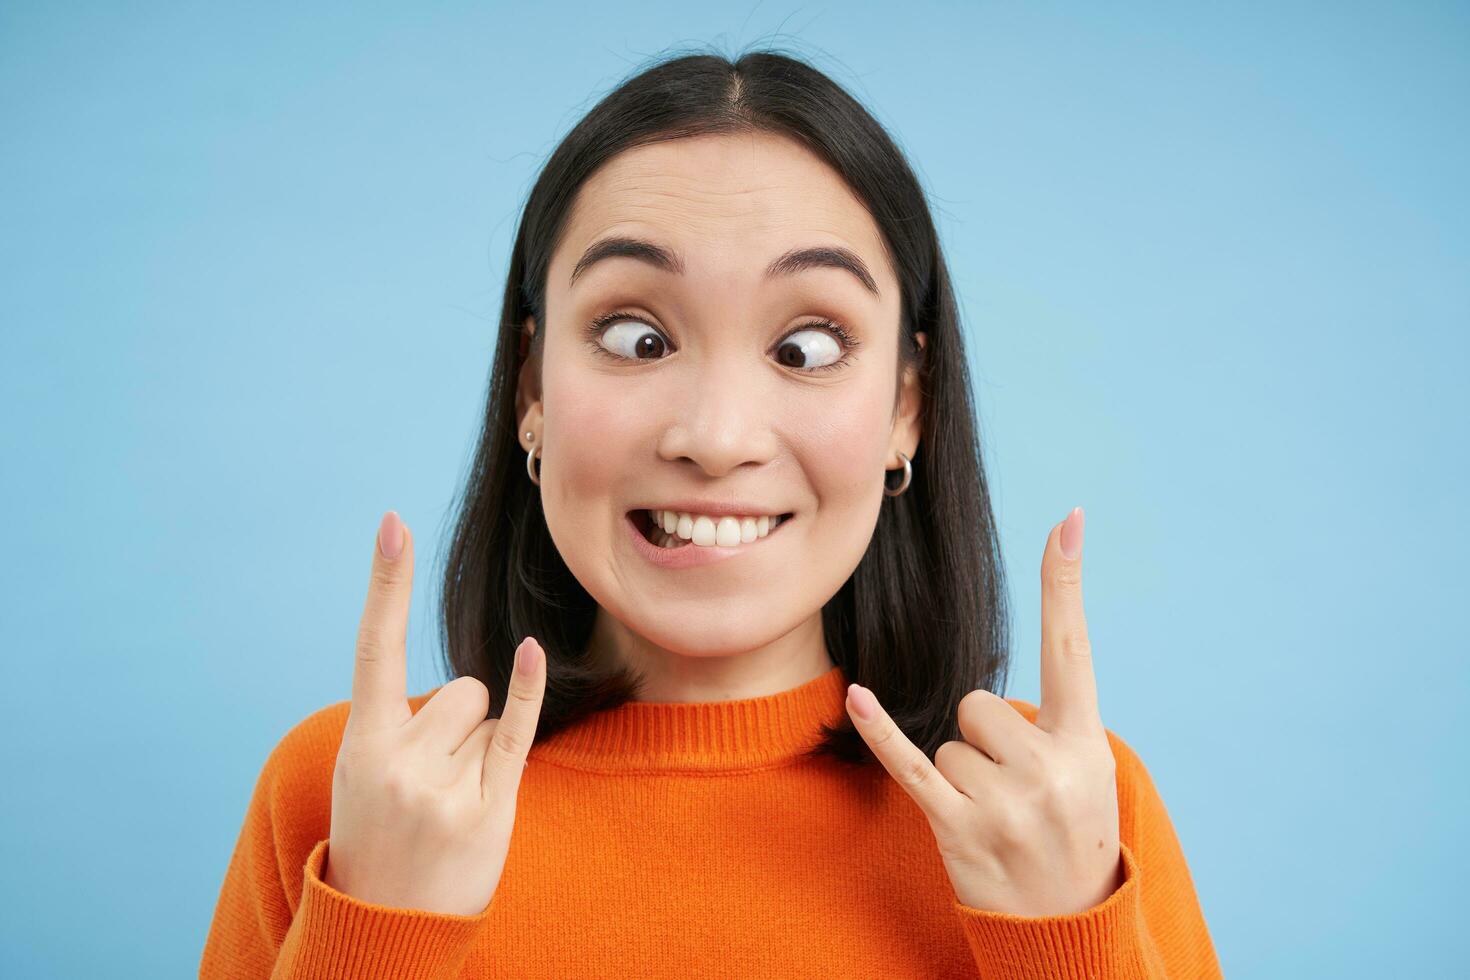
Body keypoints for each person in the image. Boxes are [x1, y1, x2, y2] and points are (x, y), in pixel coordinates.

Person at [200, 48, 1222, 978]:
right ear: (530, 387)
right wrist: (376, 933)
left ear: (908, 405)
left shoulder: (1075, 814)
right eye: (637, 337)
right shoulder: (346, 797)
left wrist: (1066, 946)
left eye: (807, 346)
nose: (718, 433)